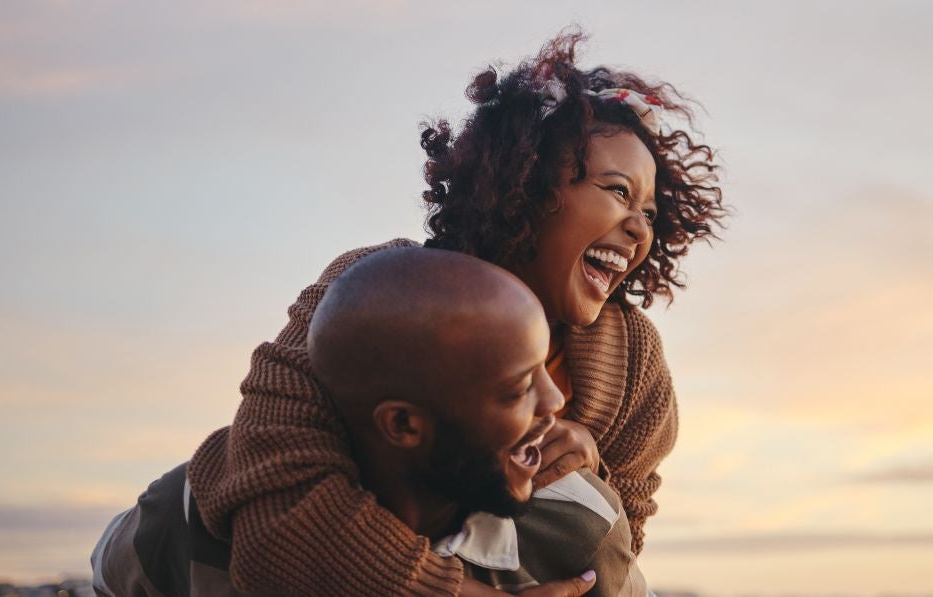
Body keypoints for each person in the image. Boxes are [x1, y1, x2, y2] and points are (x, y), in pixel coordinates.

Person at [187, 30, 726, 595]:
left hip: (485, 554)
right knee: (223, 471)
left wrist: (592, 468)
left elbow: (618, 543)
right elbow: (275, 489)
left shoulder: (633, 360)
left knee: (586, 510)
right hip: (327, 562)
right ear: (528, 185)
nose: (641, 226)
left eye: (649, 209)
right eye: (618, 191)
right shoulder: (377, 291)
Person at [91, 248, 644, 596]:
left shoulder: (581, 534)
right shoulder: (184, 522)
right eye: (519, 388)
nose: (555, 405)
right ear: (403, 425)